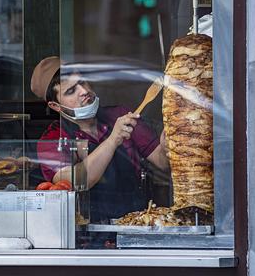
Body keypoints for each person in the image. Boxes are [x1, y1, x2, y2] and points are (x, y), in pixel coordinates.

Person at [31, 56, 169, 223]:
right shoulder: (53, 139)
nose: (83, 91)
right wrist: (113, 140)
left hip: (136, 223)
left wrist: (166, 146)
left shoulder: (119, 115)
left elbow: (162, 162)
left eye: (82, 82)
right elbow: (73, 181)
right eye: (71, 91)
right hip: (89, 236)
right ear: (55, 106)